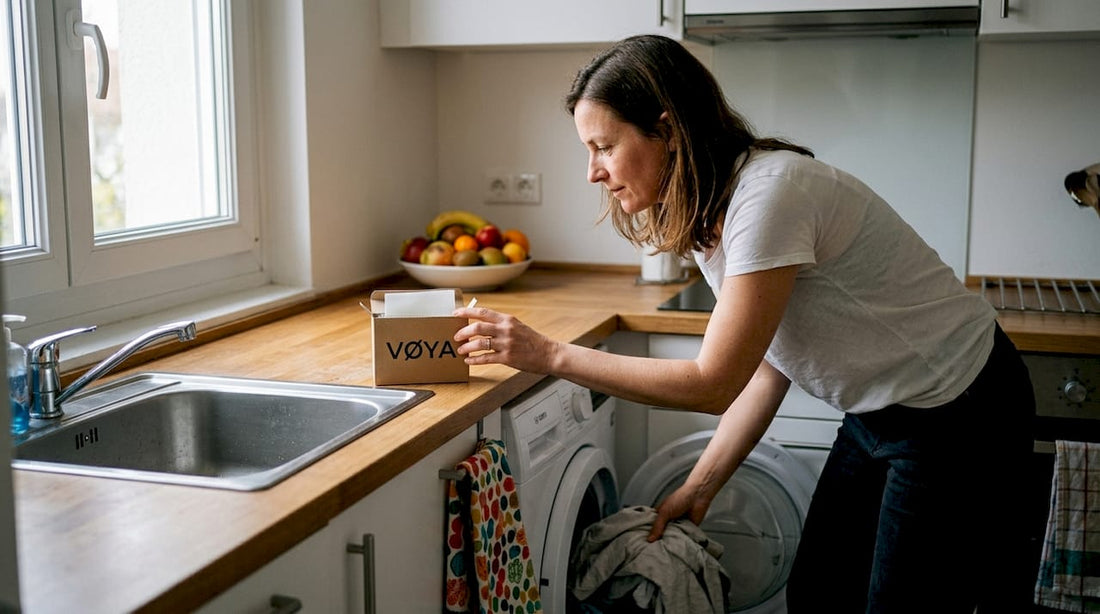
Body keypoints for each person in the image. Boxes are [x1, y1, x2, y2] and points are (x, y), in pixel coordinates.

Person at [453, 34, 1035, 613]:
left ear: (668, 130)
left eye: (604, 146)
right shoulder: (714, 209)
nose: (592, 172)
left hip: (961, 410)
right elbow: (766, 368)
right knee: (819, 595)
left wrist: (549, 354)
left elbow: (714, 383)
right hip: (879, 411)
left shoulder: (769, 196)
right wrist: (700, 487)